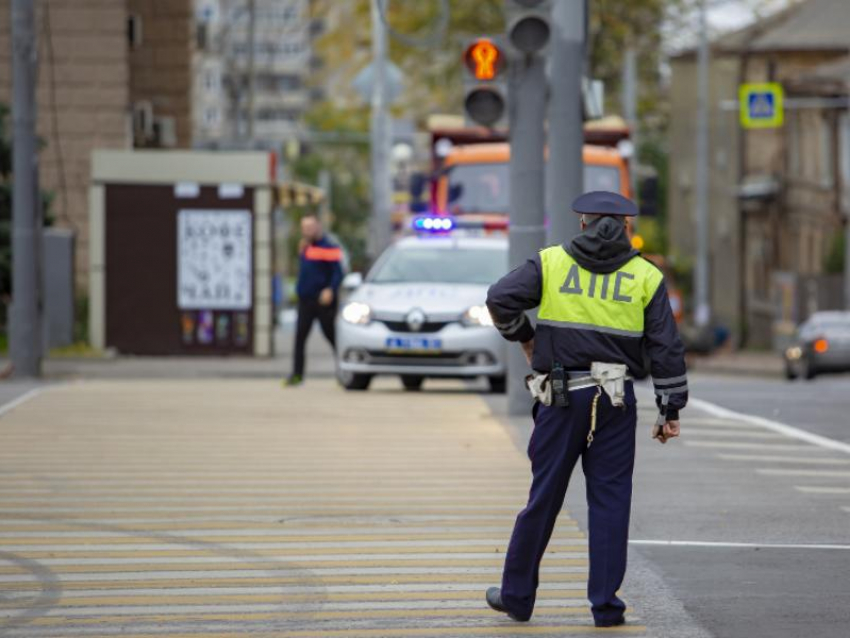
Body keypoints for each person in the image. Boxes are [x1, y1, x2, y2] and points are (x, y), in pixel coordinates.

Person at [483, 191, 688, 627]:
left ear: (583, 224)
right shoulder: (645, 276)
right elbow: (666, 346)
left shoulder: (552, 262)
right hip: (614, 399)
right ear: (627, 230)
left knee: (544, 498)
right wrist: (670, 409)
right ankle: (606, 607)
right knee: (610, 502)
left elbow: (499, 298)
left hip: (562, 396)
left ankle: (517, 597)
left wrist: (525, 337)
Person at [284, 214, 343, 387]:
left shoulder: (330, 246)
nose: (307, 230)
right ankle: (297, 375)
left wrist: (330, 289)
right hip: (305, 300)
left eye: (310, 227)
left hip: (323, 301)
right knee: (299, 338)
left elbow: (337, 273)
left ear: (318, 227)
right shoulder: (305, 247)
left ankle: (345, 371)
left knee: (333, 337)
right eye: (305, 227)